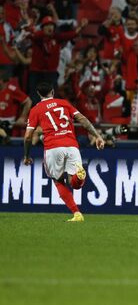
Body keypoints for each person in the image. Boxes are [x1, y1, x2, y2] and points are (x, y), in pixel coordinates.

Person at [23, 82, 105, 222]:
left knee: (58, 181)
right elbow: (83, 119)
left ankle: (77, 214)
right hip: (71, 145)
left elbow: (28, 136)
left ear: (38, 94)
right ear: (52, 92)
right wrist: (97, 136)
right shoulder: (64, 103)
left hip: (53, 147)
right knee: (75, 184)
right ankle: (79, 176)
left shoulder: (36, 109)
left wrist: (26, 155)